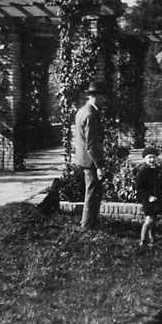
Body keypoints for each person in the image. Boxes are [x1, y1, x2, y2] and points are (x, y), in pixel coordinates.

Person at [73, 81, 106, 229]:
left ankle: (90, 223)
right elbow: (91, 144)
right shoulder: (91, 115)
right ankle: (87, 226)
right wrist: (99, 166)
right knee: (92, 193)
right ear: (96, 97)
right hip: (90, 160)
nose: (104, 100)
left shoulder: (82, 111)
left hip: (83, 159)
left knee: (92, 191)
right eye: (103, 96)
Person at [136, 147, 162, 247]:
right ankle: (143, 241)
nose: (152, 160)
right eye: (149, 158)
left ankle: (152, 239)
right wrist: (148, 196)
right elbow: (139, 188)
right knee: (149, 220)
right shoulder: (143, 172)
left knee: (153, 220)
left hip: (156, 199)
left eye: (154, 157)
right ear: (145, 159)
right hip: (147, 200)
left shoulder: (157, 171)